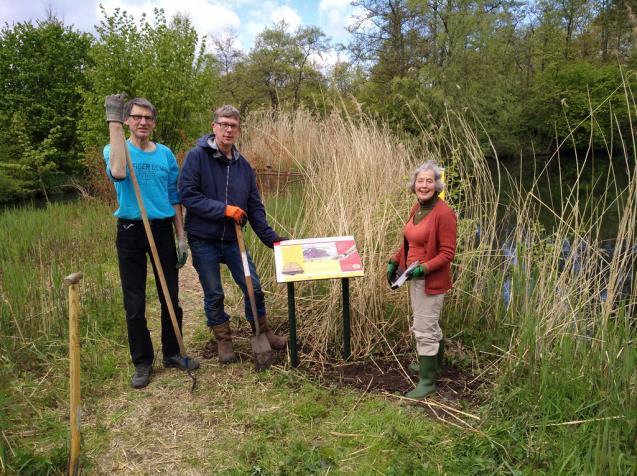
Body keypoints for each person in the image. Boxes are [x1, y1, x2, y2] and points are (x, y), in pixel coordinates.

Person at [179, 104, 288, 364]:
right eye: (224, 124)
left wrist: (273, 240)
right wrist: (225, 210)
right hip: (203, 238)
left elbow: (255, 209)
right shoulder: (197, 157)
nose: (228, 129)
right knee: (214, 292)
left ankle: (262, 331)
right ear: (214, 126)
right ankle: (223, 340)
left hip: (232, 241)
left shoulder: (244, 167)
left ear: (238, 130)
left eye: (233, 125)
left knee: (254, 287)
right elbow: (188, 196)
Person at [103, 94, 199, 389]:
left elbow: (175, 197)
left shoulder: (165, 155)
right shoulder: (115, 149)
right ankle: (142, 362)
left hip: (160, 230)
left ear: (154, 123)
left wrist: (181, 236)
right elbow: (119, 172)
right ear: (128, 121)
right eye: (137, 117)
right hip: (131, 230)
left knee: (170, 295)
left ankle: (172, 352)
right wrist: (113, 122)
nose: (143, 122)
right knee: (134, 302)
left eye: (148, 118)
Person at [387, 160, 457, 399]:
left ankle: (427, 382)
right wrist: (395, 261)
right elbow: (410, 242)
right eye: (420, 181)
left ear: (437, 185)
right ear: (414, 184)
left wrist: (423, 269)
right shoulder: (417, 208)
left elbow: (447, 253)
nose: (424, 185)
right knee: (428, 324)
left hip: (430, 280)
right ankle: (434, 366)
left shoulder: (444, 213)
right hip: (412, 276)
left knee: (424, 328)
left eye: (429, 181)